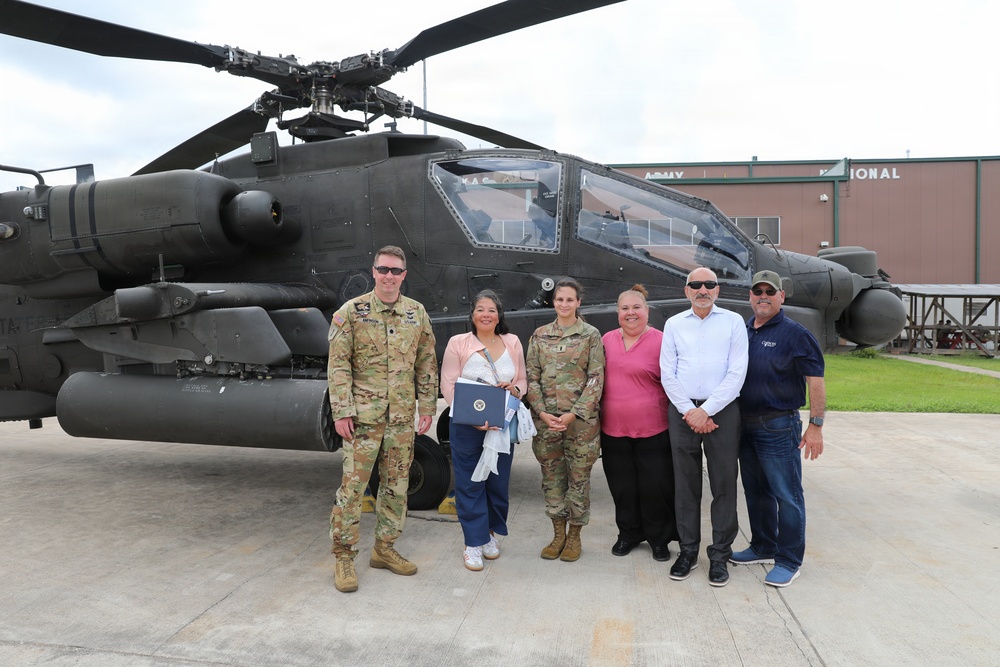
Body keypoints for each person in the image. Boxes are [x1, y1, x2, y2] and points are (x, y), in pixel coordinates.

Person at [327, 245, 438, 593]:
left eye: (396, 271)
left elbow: (426, 362)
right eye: (383, 269)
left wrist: (427, 407)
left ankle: (384, 549)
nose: (389, 276)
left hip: (401, 418)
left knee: (396, 487)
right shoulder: (352, 312)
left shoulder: (416, 313)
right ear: (374, 272)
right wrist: (342, 410)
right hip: (363, 419)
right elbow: (338, 366)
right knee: (353, 489)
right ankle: (344, 556)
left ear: (404, 275)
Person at [731, 270, 825, 587]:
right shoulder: (742, 330)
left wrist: (816, 425)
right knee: (755, 491)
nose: (763, 296)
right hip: (744, 425)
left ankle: (788, 560)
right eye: (757, 291)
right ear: (750, 296)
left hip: (778, 426)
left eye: (770, 292)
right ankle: (763, 546)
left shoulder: (795, 334)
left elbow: (816, 381)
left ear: (781, 296)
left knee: (787, 495)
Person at [659, 267, 748, 587]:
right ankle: (688, 551)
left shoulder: (733, 322)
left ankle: (720, 555)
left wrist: (706, 410)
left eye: (709, 284)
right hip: (683, 411)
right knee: (685, 484)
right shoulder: (673, 324)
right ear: (686, 291)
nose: (703, 290)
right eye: (696, 285)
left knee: (724, 484)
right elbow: (667, 373)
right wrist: (690, 411)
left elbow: (737, 372)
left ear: (717, 290)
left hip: (722, 411)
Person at [440, 290, 528, 572]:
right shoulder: (458, 343)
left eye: (491, 310)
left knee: (497, 482)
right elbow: (448, 384)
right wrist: (470, 416)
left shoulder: (512, 342)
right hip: (467, 425)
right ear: (473, 315)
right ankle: (473, 543)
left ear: (499, 315)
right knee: (470, 483)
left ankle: (490, 534)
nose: (486, 314)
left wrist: (515, 389)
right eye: (480, 309)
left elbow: (522, 380)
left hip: (501, 423)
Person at [525, 277, 605, 562]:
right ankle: (558, 534)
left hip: (581, 425)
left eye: (570, 299)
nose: (564, 304)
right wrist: (542, 412)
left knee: (579, 481)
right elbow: (531, 377)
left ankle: (574, 537)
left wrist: (573, 413)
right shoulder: (539, 335)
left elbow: (596, 378)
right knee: (552, 479)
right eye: (560, 299)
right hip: (547, 424)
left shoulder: (590, 335)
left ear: (578, 302)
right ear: (553, 302)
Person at [600, 285, 678, 561]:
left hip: (653, 429)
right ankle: (629, 533)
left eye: (636, 307)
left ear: (647, 310)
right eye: (625, 308)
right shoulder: (606, 340)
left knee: (655, 487)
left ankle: (659, 538)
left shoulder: (662, 341)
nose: (630, 313)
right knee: (622, 487)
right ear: (617, 312)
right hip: (613, 430)